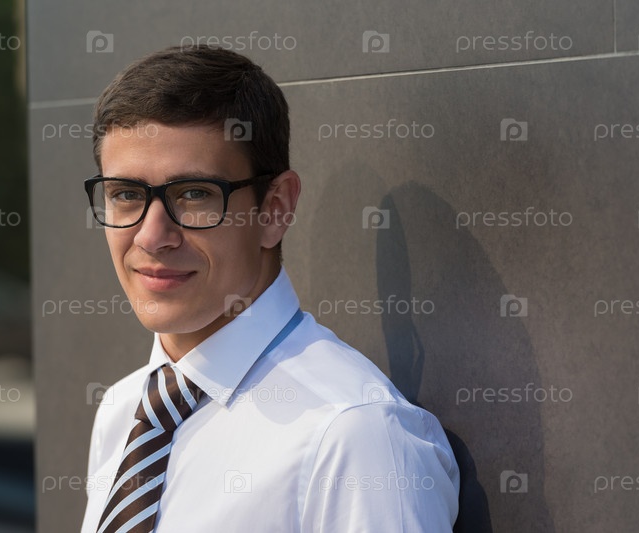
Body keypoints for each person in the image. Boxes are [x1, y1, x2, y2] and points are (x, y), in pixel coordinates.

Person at [80, 45, 459, 533]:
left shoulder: (355, 434)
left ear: (275, 207)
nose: (152, 237)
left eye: (194, 194)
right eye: (127, 194)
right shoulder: (122, 410)